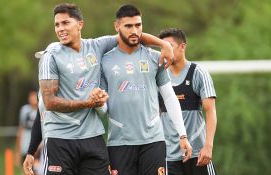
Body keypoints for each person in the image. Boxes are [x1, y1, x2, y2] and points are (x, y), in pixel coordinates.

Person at [33, 3, 177, 175]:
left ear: (80, 24)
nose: (60, 29)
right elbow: (49, 102)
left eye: (65, 23)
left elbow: (131, 34)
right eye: (57, 24)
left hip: (93, 136)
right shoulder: (51, 56)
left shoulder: (96, 46)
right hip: (60, 138)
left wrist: (164, 45)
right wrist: (88, 103)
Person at [100, 5, 192, 175]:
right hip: (119, 143)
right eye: (128, 26)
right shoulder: (104, 61)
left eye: (138, 25)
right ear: (117, 26)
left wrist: (183, 135)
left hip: (153, 142)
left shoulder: (155, 57)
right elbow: (103, 105)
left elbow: (170, 98)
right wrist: (98, 105)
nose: (134, 30)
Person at [158, 28, 217, 175]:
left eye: (169, 46)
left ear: (182, 46)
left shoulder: (198, 73)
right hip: (169, 156)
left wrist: (208, 146)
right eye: (162, 47)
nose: (165, 51)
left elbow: (210, 111)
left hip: (198, 154)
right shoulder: (158, 75)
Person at [15, 88, 42, 174]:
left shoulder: (42, 109)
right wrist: (18, 152)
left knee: (38, 170)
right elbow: (21, 130)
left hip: (39, 148)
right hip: (26, 147)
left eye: (35, 95)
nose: (33, 98)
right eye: (31, 96)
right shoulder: (25, 110)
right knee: (26, 170)